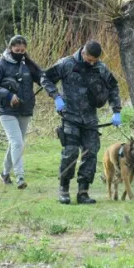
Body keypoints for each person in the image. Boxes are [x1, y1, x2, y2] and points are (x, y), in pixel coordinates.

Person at [41, 40, 122, 205]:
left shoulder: (100, 68)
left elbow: (113, 87)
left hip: (90, 120)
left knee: (91, 154)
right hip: (70, 116)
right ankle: (64, 190)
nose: (92, 63)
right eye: (90, 59)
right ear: (83, 53)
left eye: (95, 60)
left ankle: (83, 192)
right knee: (70, 153)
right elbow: (45, 78)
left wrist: (117, 111)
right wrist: (56, 96)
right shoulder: (66, 64)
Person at [0, 35, 43, 189]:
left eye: (22, 50)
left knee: (15, 144)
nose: (20, 53)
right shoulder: (0, 64)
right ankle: (20, 177)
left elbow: (43, 77)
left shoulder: (29, 65)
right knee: (17, 142)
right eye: (17, 50)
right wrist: (9, 95)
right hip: (6, 110)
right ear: (10, 48)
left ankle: (4, 174)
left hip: (25, 110)